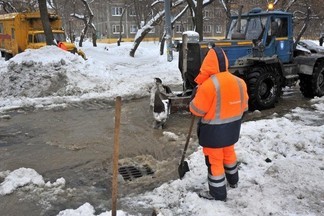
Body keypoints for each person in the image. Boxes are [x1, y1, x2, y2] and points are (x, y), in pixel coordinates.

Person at [189, 46, 249, 201]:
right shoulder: (240, 82)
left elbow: (197, 110)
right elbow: (244, 107)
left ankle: (217, 193)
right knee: (229, 153)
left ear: (208, 63)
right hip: (233, 129)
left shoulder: (208, 85)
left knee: (214, 161)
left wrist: (194, 98)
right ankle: (233, 181)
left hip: (213, 133)